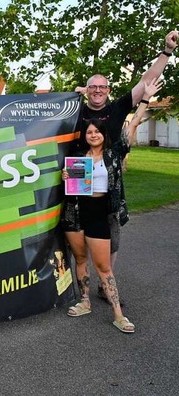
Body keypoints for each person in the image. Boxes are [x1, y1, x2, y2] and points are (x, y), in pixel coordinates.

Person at [74, 30, 178, 302]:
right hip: (77, 178)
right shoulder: (76, 109)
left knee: (112, 234)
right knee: (75, 233)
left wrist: (166, 52)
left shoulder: (118, 107)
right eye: (93, 87)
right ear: (87, 90)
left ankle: (105, 284)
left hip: (110, 180)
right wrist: (70, 96)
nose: (98, 91)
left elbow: (147, 81)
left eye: (103, 87)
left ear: (108, 91)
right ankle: (78, 287)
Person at [61, 119, 133, 333]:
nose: (93, 135)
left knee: (103, 267)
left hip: (99, 213)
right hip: (75, 212)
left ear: (103, 134)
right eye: (89, 132)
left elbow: (132, 128)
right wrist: (65, 175)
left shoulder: (113, 155)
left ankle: (118, 315)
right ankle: (85, 302)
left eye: (97, 132)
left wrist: (144, 101)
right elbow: (72, 187)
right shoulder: (79, 158)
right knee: (81, 259)